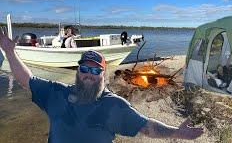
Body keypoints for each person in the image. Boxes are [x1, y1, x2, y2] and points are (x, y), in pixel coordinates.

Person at [0, 27, 204, 143]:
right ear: (78, 72)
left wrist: (176, 132)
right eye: (85, 69)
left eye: (96, 70)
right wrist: (10, 52)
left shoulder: (114, 106)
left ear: (103, 76)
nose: (90, 74)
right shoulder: (56, 94)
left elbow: (147, 127)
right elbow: (25, 80)